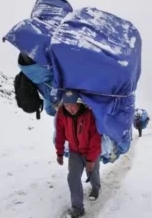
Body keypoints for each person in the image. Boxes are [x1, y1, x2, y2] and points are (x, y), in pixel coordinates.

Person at [55, 90, 102, 218]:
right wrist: (59, 153)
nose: (70, 108)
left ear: (79, 103)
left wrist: (91, 159)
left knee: (92, 172)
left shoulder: (89, 114)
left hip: (90, 150)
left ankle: (96, 187)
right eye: (66, 105)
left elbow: (96, 137)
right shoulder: (62, 114)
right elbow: (59, 134)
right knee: (73, 178)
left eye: (72, 105)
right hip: (74, 151)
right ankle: (78, 208)